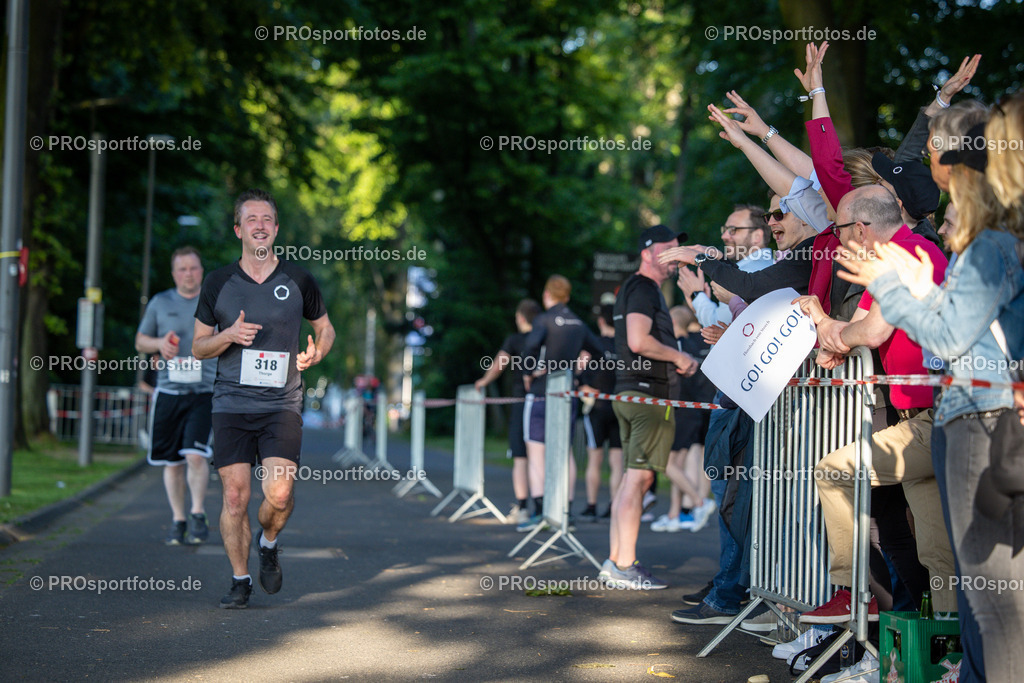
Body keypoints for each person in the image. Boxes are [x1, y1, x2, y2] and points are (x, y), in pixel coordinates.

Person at [837, 104, 1024, 680]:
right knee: (987, 599)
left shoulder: (993, 244)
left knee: (993, 607)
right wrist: (923, 292)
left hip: (979, 421)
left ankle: (858, 608)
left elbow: (946, 339)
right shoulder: (995, 243)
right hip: (983, 418)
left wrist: (890, 285)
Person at [796, 185, 956, 619]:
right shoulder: (889, 258)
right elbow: (854, 330)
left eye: (841, 229)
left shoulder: (908, 254)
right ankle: (946, 647)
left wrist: (833, 330)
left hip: (936, 417)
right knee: (935, 548)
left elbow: (868, 334)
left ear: (861, 231)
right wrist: (830, 328)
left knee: (832, 471)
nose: (838, 239)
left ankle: (853, 593)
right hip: (917, 416)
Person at [193, 189, 335, 609]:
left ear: (275, 228)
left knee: (279, 495)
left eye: (267, 219)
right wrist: (228, 336)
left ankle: (269, 541)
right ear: (239, 229)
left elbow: (325, 328)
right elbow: (199, 347)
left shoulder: (298, 279)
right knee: (235, 497)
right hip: (231, 404)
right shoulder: (218, 282)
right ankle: (240, 580)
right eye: (251, 219)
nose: (260, 225)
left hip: (281, 403)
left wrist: (318, 351)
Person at [598, 225, 697, 589]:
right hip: (646, 397)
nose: (674, 255)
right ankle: (624, 565)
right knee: (639, 479)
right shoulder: (642, 288)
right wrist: (679, 357)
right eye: (667, 249)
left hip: (634, 395)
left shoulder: (637, 288)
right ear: (646, 252)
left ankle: (616, 561)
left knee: (632, 479)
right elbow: (639, 341)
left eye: (677, 249)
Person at [135, 246, 217, 546]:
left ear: (201, 271)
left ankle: (197, 513)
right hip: (169, 391)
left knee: (195, 456)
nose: (188, 274)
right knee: (172, 462)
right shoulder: (160, 302)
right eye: (182, 269)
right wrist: (159, 343)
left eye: (193, 268)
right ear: (174, 274)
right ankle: (178, 519)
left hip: (203, 391)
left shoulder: (214, 302)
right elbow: (140, 341)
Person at [518, 275, 604, 531]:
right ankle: (565, 511)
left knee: (536, 452)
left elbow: (530, 349)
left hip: (541, 393)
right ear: (566, 296)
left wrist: (528, 372)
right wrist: (580, 376)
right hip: (567, 394)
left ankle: (542, 510)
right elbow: (598, 351)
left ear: (547, 295)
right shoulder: (578, 323)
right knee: (565, 453)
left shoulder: (543, 320)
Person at [474, 298, 541, 524]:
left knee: (521, 457)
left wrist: (483, 381)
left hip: (522, 403)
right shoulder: (545, 337)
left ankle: (522, 507)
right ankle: (544, 508)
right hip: (545, 401)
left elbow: (498, 365)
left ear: (521, 317)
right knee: (542, 457)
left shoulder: (515, 340)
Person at [649, 305, 715, 533]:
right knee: (678, 464)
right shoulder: (693, 345)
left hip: (681, 411)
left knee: (664, 462)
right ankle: (676, 513)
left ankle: (699, 501)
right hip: (691, 411)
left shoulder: (674, 349)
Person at [577, 302, 623, 522]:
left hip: (596, 408)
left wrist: (582, 387)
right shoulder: (626, 346)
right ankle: (615, 506)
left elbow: (578, 374)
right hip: (620, 407)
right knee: (617, 461)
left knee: (594, 460)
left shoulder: (592, 346)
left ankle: (592, 505)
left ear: (601, 320)